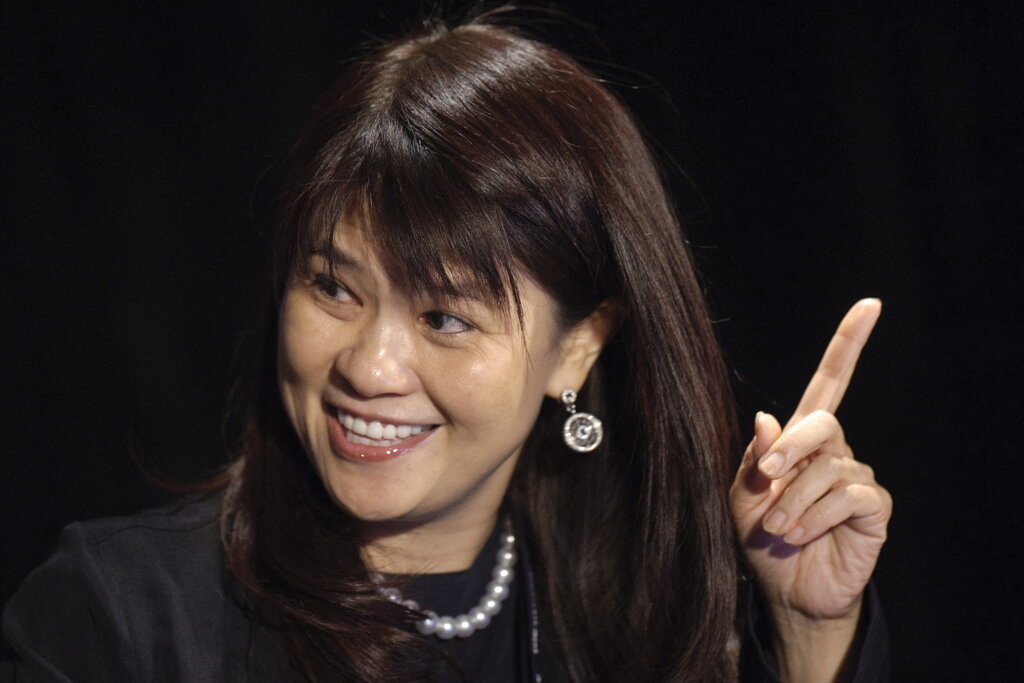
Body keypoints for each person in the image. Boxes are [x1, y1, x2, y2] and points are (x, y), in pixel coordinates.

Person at [2, 10, 891, 682]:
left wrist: (809, 628)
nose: (368, 366)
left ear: (578, 348)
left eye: (445, 318)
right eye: (334, 286)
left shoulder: (644, 629)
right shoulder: (119, 617)